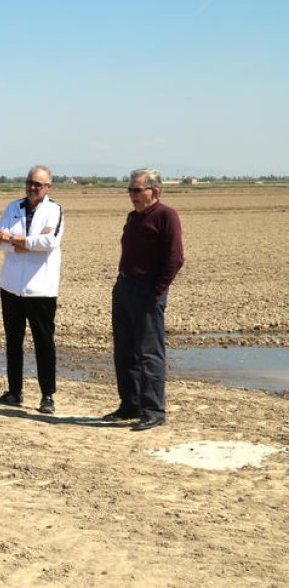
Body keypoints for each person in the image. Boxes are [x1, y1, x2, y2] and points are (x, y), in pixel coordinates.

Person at [104, 168, 184, 431]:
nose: (132, 195)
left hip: (148, 289)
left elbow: (175, 258)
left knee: (149, 353)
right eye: (130, 190)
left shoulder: (166, 216)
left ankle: (153, 410)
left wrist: (157, 289)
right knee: (125, 350)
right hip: (125, 287)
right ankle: (130, 404)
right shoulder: (133, 217)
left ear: (154, 191)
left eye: (137, 190)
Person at [0, 165, 65, 414]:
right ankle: (14, 392)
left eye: (38, 184)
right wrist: (20, 243)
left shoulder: (54, 210)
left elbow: (49, 242)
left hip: (41, 289)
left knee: (44, 343)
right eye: (30, 182)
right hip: (11, 287)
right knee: (13, 341)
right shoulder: (13, 207)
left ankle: (47, 396)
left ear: (48, 188)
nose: (33, 188)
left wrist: (14, 240)